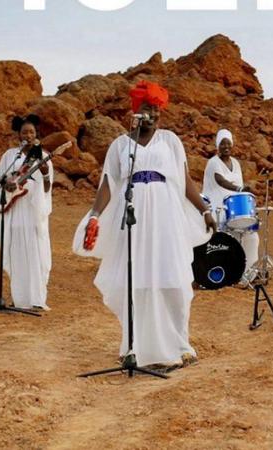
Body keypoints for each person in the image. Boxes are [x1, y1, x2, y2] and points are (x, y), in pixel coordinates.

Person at [73, 80, 216, 370]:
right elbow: (108, 184)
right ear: (137, 111)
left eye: (158, 109)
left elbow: (185, 181)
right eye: (149, 109)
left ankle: (179, 343)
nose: (155, 114)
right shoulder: (120, 146)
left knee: (173, 279)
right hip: (134, 218)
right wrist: (94, 215)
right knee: (135, 280)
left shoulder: (170, 141)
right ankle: (133, 346)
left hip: (166, 215)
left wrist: (204, 210)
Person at [0, 114, 53, 311]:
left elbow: (48, 187)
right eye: (25, 132)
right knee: (16, 253)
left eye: (32, 132)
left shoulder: (43, 156)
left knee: (35, 253)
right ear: (19, 134)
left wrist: (45, 173)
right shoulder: (10, 155)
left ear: (36, 134)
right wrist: (3, 183)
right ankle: (19, 298)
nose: (29, 135)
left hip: (32, 211)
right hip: (14, 210)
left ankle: (36, 298)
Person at [202, 129, 259, 279]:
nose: (226, 146)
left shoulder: (236, 163)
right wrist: (239, 188)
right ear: (217, 145)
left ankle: (248, 273)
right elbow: (221, 180)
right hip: (216, 208)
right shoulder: (213, 162)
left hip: (233, 210)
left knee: (251, 236)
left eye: (228, 143)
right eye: (222, 143)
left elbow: (239, 189)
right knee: (221, 240)